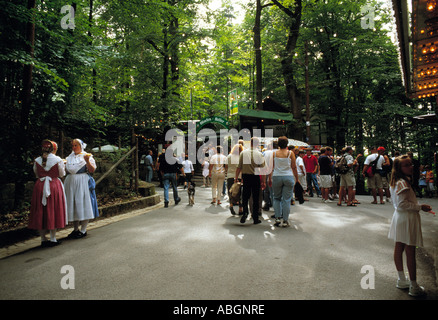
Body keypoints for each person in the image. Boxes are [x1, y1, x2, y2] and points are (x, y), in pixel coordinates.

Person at [388, 155, 432, 297]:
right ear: (399, 168)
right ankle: (413, 285)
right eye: (406, 165)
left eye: (411, 164)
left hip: (401, 217)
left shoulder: (397, 182)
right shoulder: (402, 183)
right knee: (410, 251)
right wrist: (420, 207)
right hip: (406, 218)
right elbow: (402, 204)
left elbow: (398, 203)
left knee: (399, 247)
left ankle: (402, 280)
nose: (411, 167)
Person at [28, 140, 67, 247]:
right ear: (54, 149)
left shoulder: (37, 160)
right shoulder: (58, 160)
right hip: (53, 185)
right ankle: (53, 238)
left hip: (40, 186)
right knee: (53, 209)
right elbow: (62, 173)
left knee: (40, 210)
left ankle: (43, 238)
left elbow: (36, 174)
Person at [64, 139, 98, 239]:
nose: (74, 147)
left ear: (81, 146)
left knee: (83, 203)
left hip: (82, 181)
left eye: (76, 145)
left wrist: (87, 161)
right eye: (73, 145)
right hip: (70, 182)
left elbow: (92, 170)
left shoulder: (87, 156)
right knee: (73, 204)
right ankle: (75, 229)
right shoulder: (69, 158)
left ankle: (83, 230)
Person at [268, 136, 299, 227]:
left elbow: (271, 167)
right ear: (287, 144)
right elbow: (294, 167)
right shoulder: (290, 153)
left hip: (277, 176)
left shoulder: (274, 153)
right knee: (286, 199)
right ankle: (285, 220)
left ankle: (277, 218)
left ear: (278, 144)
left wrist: (270, 178)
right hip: (288, 177)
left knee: (276, 198)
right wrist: (297, 179)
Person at [235, 137, 266, 225]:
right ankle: (255, 217)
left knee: (245, 196)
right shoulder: (259, 154)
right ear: (257, 144)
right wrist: (263, 181)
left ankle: (245, 212)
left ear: (250, 143)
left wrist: (236, 178)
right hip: (256, 177)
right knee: (256, 198)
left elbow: (239, 167)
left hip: (246, 177)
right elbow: (263, 169)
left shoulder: (243, 153)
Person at [227, 144, 243, 215]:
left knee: (231, 191)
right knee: (240, 192)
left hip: (230, 176)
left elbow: (226, 166)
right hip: (239, 176)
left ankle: (231, 204)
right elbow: (242, 168)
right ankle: (240, 208)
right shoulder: (241, 157)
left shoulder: (229, 156)